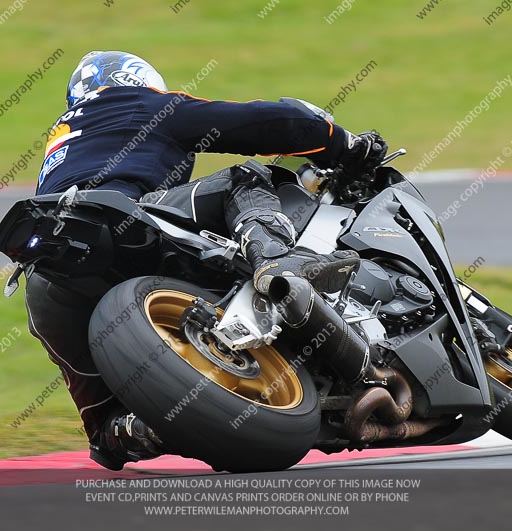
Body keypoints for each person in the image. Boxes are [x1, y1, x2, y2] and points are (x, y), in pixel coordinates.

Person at [26, 51, 388, 470]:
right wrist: (343, 143)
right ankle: (278, 262)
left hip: (46, 271)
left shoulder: (64, 136)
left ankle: (118, 431)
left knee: (96, 406)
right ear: (138, 79)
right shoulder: (137, 103)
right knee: (243, 177)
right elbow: (266, 123)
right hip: (125, 221)